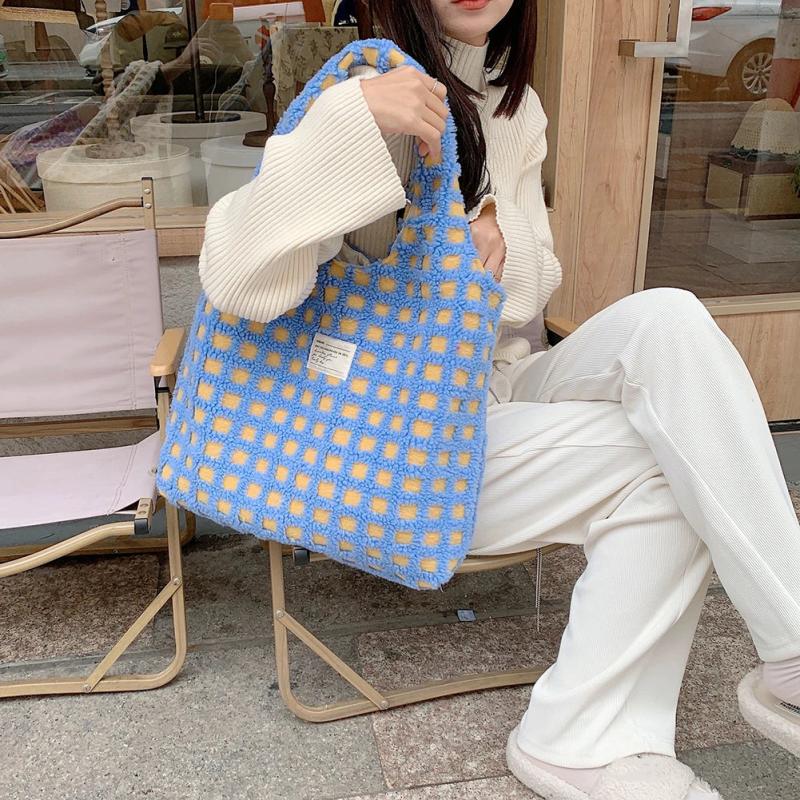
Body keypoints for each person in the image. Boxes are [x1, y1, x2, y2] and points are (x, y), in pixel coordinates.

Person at [197, 1, 800, 797]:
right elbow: (237, 278)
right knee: (673, 459)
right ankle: (582, 739)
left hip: (490, 392)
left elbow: (531, 291)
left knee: (671, 319)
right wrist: (352, 123)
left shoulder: (516, 106)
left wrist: (497, 237)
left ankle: (793, 647)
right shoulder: (363, 92)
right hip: (393, 441)